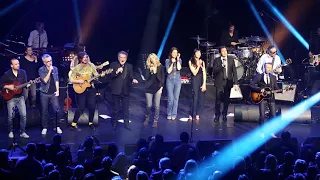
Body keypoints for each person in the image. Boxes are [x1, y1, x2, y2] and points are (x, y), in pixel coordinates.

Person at [69, 51, 105, 131]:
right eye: (84, 57)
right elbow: (71, 79)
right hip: (81, 89)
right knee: (81, 107)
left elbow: (95, 75)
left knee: (92, 106)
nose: (86, 59)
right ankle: (73, 124)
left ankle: (91, 123)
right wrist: (79, 81)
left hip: (91, 88)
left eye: (87, 57)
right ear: (80, 59)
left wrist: (99, 75)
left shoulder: (91, 66)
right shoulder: (77, 68)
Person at [0, 58, 29, 138]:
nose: (18, 65)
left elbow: (25, 83)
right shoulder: (7, 74)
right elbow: (1, 84)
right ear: (11, 65)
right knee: (10, 116)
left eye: (18, 63)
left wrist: (27, 85)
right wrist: (8, 86)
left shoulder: (23, 72)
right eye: (16, 64)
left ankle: (22, 132)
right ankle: (10, 131)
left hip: (20, 96)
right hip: (10, 97)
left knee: (23, 115)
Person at [110, 51, 138, 131]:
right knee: (116, 108)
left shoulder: (129, 66)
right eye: (121, 57)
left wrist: (133, 79)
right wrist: (116, 72)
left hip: (125, 90)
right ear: (118, 58)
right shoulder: (113, 65)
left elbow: (131, 76)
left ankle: (126, 124)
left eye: (124, 58)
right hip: (116, 90)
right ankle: (114, 123)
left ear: (126, 58)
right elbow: (110, 76)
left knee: (126, 108)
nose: (122, 59)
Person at [250, 63, 280, 138]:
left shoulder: (273, 77)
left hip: (271, 98)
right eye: (267, 67)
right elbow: (251, 84)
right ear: (264, 68)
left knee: (273, 115)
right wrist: (260, 89)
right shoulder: (259, 76)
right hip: (261, 98)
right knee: (262, 116)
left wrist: (281, 90)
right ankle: (262, 132)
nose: (268, 69)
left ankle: (271, 132)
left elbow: (276, 87)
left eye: (270, 67)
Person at [38, 54, 62, 135]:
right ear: (44, 63)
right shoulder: (41, 70)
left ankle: (57, 126)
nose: (50, 63)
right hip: (44, 93)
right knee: (44, 111)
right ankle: (45, 127)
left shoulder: (55, 68)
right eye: (48, 61)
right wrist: (49, 71)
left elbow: (57, 80)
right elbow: (45, 80)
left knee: (56, 110)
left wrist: (58, 90)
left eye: (51, 61)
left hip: (53, 93)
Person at [213, 46, 238, 122]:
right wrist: (221, 66)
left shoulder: (231, 59)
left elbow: (234, 72)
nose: (224, 52)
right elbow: (214, 71)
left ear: (227, 51)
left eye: (225, 51)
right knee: (218, 100)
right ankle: (217, 115)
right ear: (220, 52)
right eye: (222, 51)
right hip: (219, 82)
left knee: (226, 100)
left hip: (228, 82)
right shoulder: (217, 60)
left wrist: (236, 83)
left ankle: (224, 115)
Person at [143, 53, 165, 128]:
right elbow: (146, 78)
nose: (152, 59)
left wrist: (161, 87)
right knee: (149, 105)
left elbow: (162, 78)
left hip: (157, 87)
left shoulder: (160, 66)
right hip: (149, 88)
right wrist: (151, 72)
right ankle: (147, 117)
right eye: (151, 58)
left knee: (157, 106)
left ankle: (155, 121)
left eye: (154, 58)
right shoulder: (147, 67)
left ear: (156, 58)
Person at [188, 49, 206, 122]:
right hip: (195, 80)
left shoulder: (202, 62)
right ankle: (192, 113)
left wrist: (204, 83)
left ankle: (198, 113)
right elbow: (194, 73)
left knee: (201, 97)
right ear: (194, 53)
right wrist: (198, 65)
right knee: (195, 97)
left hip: (201, 80)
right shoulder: (191, 62)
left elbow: (204, 73)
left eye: (200, 53)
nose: (199, 54)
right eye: (197, 53)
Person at [165, 47, 182, 120]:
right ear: (171, 53)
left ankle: (174, 114)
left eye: (176, 52)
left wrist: (177, 60)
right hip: (170, 81)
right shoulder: (167, 60)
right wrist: (172, 62)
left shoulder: (179, 60)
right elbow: (168, 71)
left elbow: (179, 68)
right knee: (170, 99)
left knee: (176, 99)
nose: (175, 54)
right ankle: (169, 113)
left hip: (178, 81)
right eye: (173, 52)